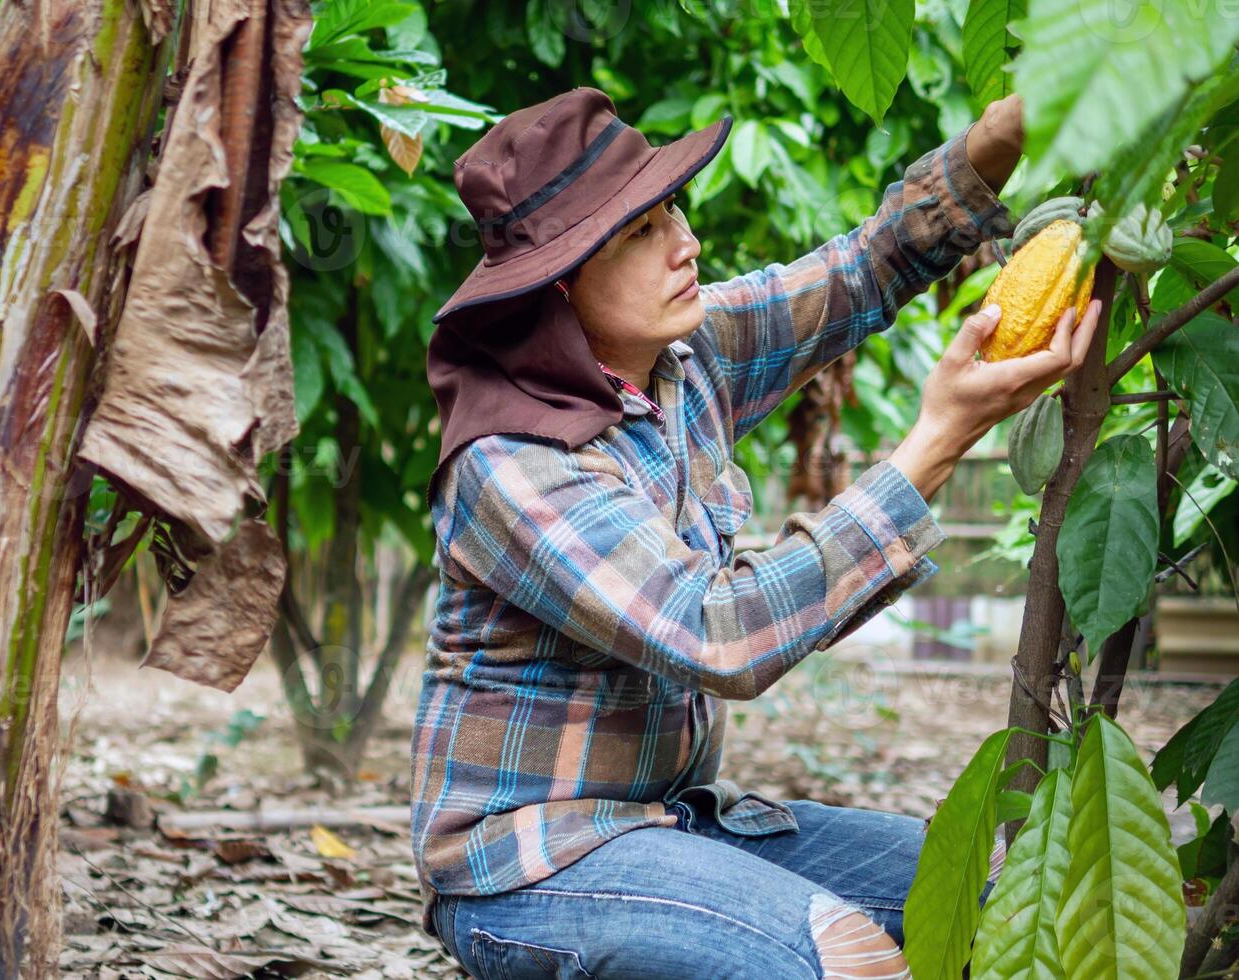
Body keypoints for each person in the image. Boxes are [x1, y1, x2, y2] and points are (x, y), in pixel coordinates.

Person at [410, 86, 1101, 979]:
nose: (685, 242)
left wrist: (998, 140)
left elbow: (862, 268)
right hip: (531, 867)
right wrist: (936, 441)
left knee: (1011, 898)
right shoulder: (512, 461)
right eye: (641, 231)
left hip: (677, 821)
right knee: (840, 958)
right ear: (561, 281)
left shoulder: (678, 362)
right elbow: (715, 634)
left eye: (673, 211)